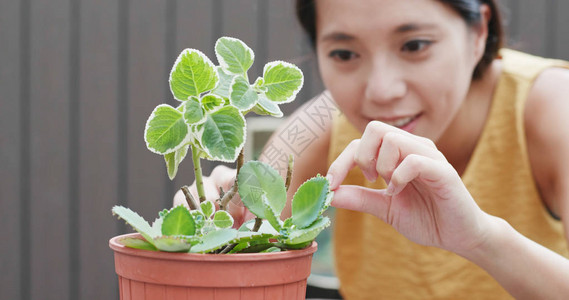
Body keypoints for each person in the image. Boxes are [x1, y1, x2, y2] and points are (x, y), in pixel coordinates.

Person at [175, 0, 569, 298]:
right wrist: (213, 222)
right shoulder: (320, 128)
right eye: (345, 54)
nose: (381, 91)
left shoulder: (553, 109)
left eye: (414, 45)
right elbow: (241, 240)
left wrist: (481, 238)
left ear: (479, 31)